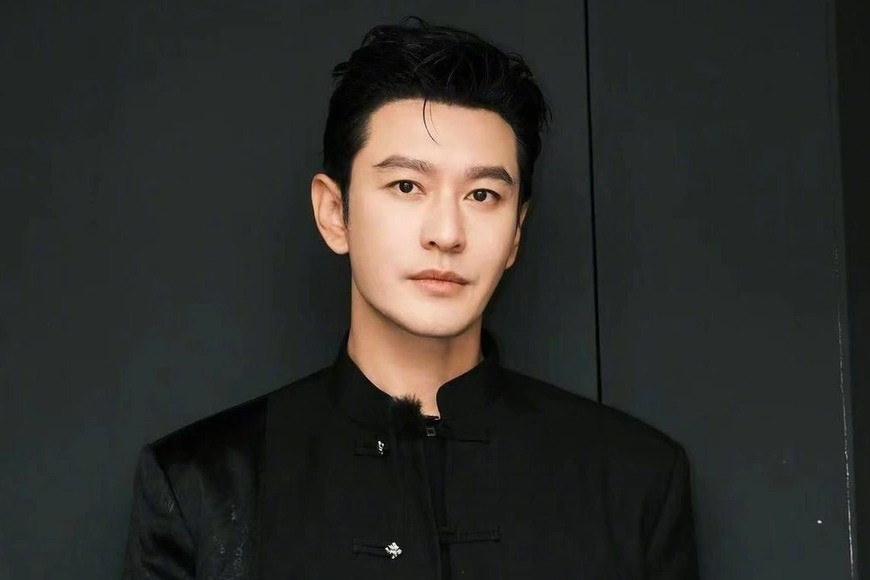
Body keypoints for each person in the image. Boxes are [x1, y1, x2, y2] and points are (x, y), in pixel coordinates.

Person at [122, 18, 698, 580]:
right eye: (406, 186)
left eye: (482, 195)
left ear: (517, 232)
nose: (446, 233)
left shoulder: (635, 481)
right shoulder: (202, 484)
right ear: (334, 213)